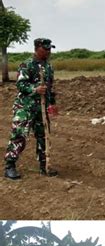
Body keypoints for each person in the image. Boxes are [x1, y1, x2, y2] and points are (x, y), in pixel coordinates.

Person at [4, 38, 59, 180]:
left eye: (49, 49)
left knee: (43, 136)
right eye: (45, 49)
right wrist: (35, 89)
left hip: (42, 108)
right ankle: (10, 165)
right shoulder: (26, 65)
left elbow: (50, 87)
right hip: (25, 107)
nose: (48, 51)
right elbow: (21, 85)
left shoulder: (48, 67)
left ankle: (44, 165)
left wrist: (52, 103)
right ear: (37, 48)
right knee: (19, 134)